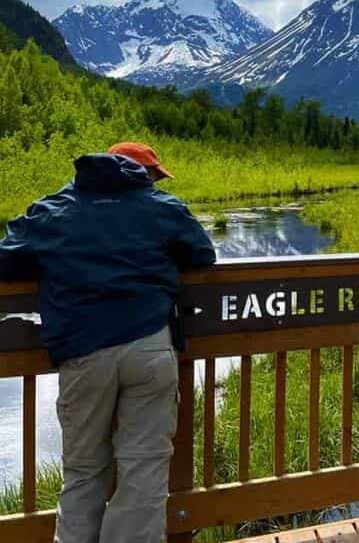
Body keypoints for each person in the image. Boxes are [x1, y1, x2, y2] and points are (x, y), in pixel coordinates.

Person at [0, 142, 216, 543]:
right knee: (144, 472)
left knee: (83, 473)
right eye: (152, 175)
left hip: (83, 353)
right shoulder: (160, 207)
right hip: (151, 345)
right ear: (136, 173)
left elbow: (8, 259)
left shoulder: (52, 210)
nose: (154, 181)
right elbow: (202, 254)